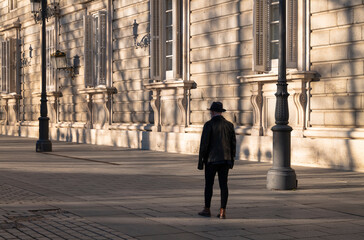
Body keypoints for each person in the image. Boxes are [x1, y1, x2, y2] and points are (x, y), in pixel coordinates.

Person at [198, 101, 236, 219]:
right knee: (223, 185)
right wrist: (231, 160)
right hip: (225, 160)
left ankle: (207, 209)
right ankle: (222, 211)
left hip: (211, 160)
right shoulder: (229, 125)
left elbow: (204, 144)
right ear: (221, 112)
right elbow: (233, 144)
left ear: (213, 112)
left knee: (209, 185)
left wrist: (200, 161)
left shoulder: (209, 125)